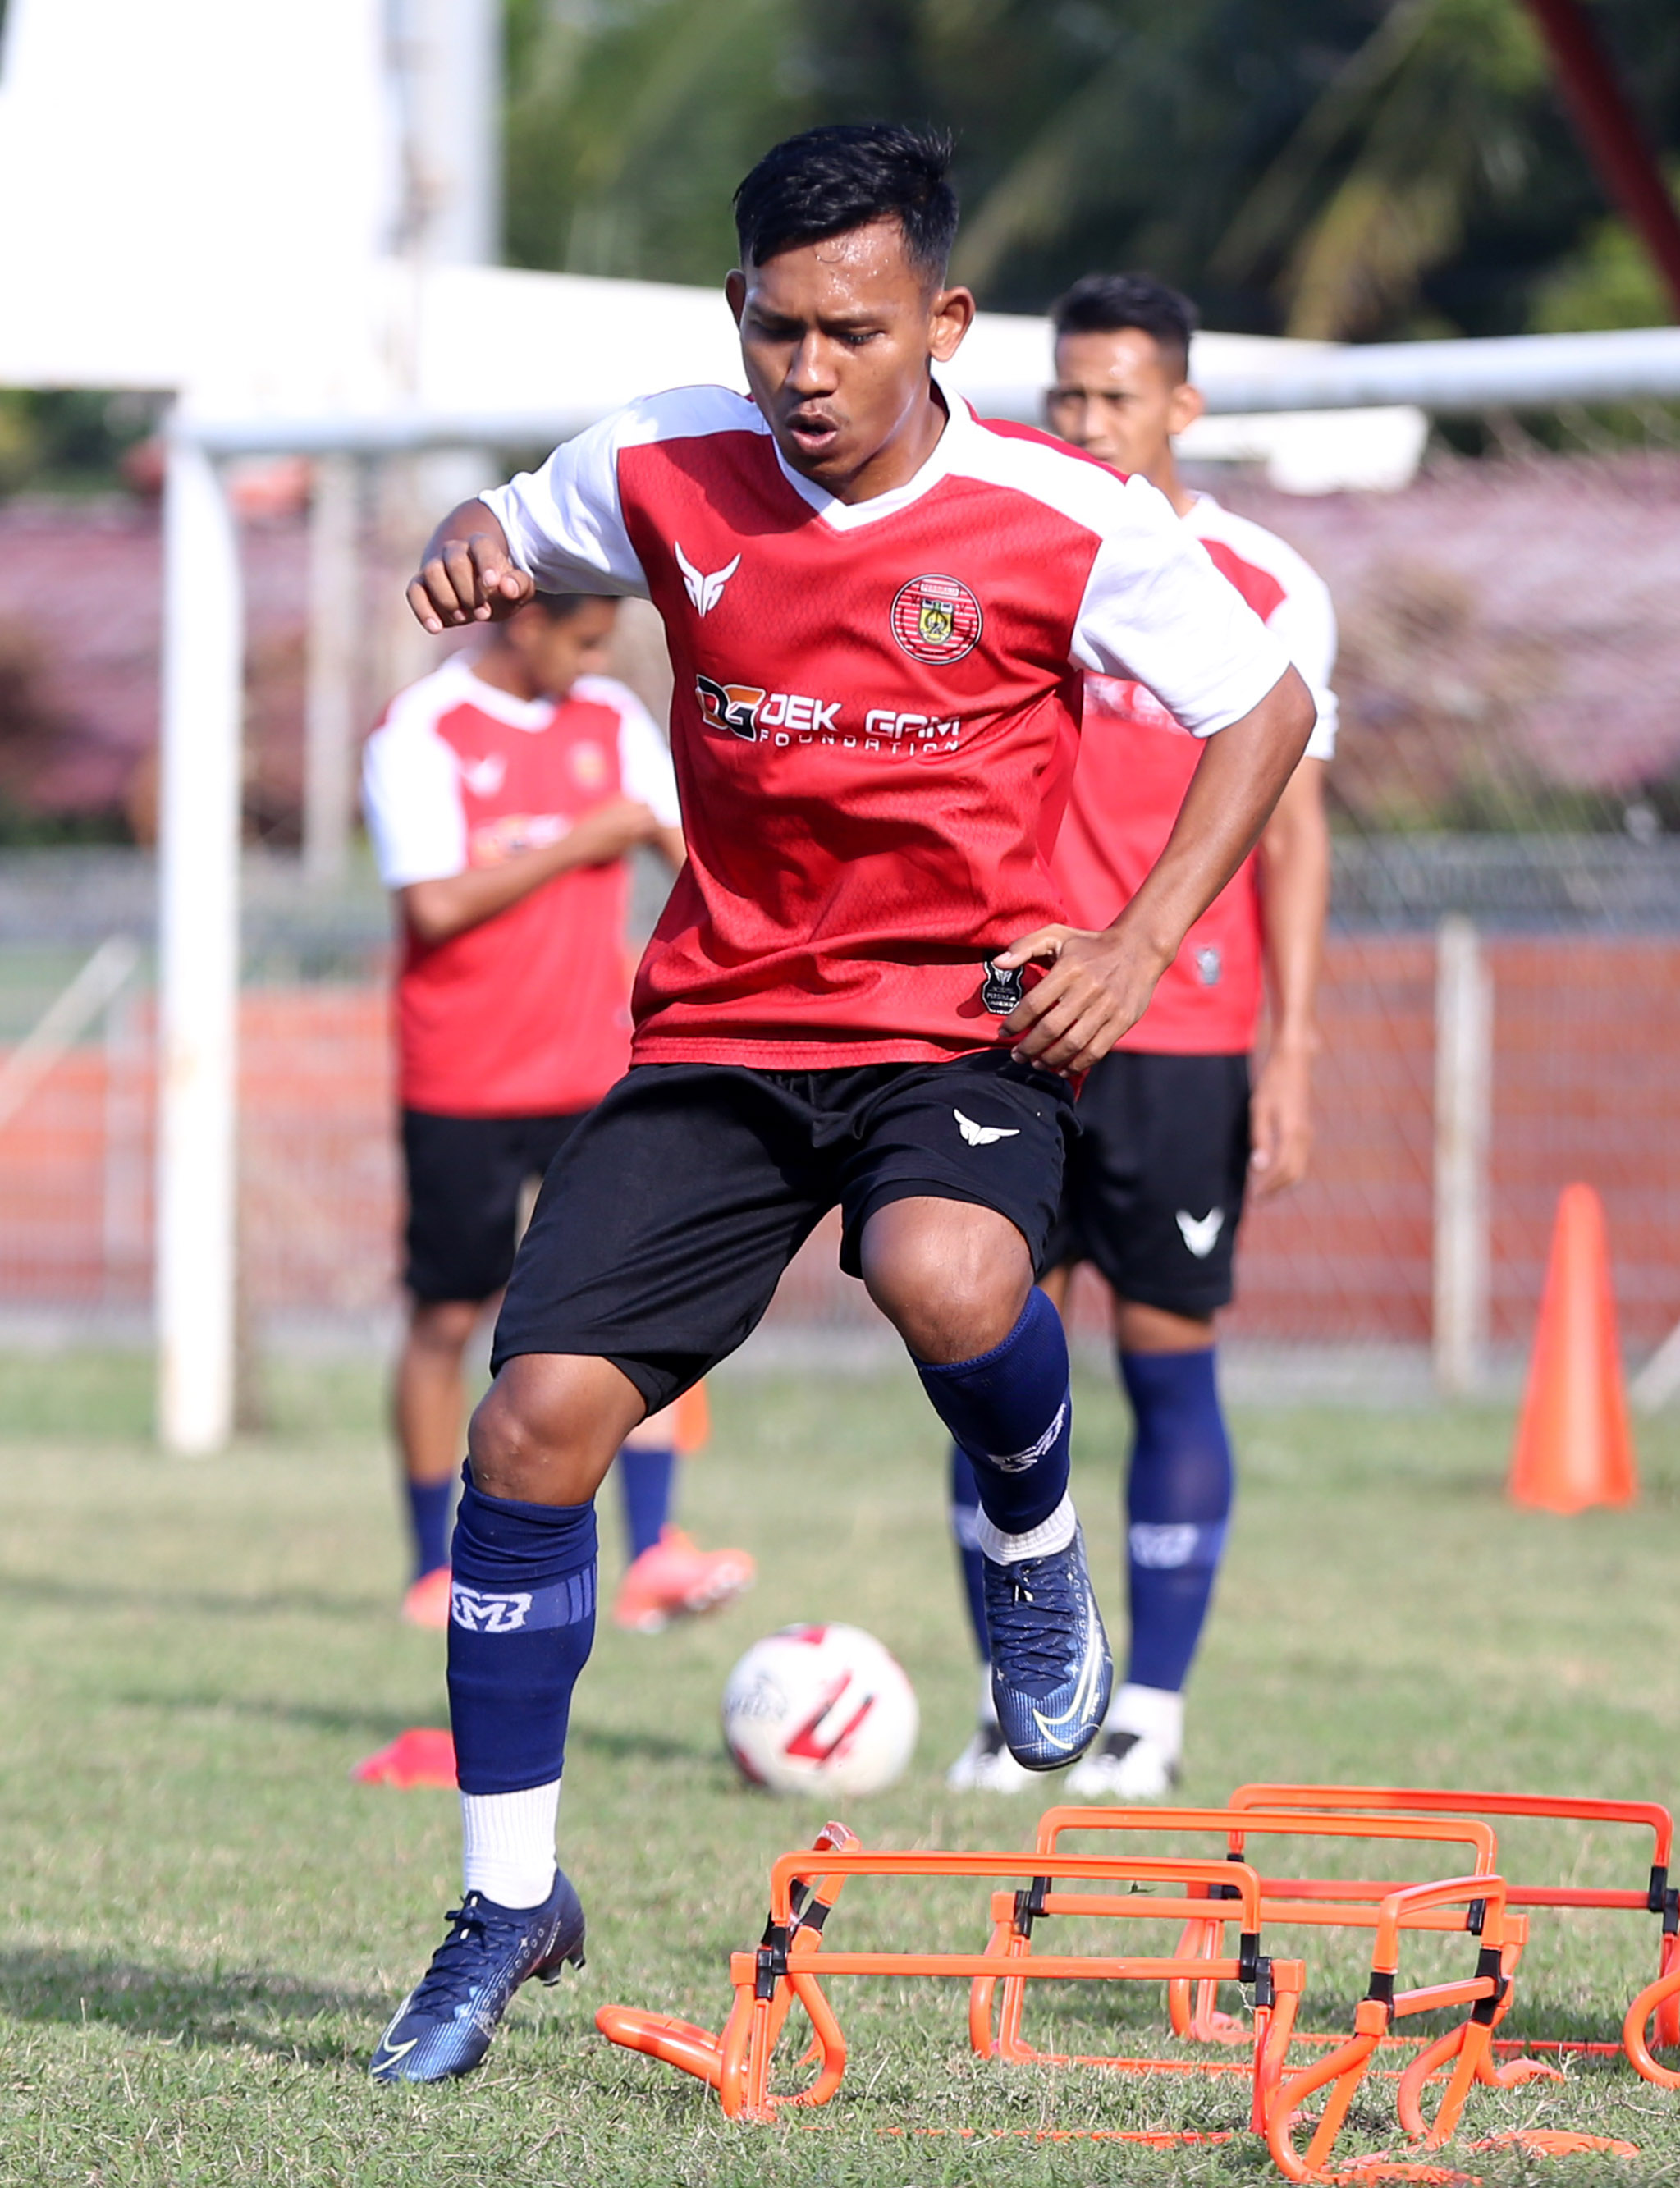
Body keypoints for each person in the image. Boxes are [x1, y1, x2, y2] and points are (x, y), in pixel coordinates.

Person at [365, 123, 1315, 2085]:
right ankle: (506, 1898)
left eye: (854, 331)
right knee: (531, 1425)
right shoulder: (652, 461)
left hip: (953, 1023)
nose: (810, 368)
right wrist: (470, 538)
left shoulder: (1068, 509)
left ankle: (1033, 1553)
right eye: (779, 327)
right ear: (740, 315)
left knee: (953, 1272)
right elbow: (509, 532)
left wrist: (1137, 945)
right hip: (718, 1024)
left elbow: (1265, 706)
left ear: (943, 322)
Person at [941, 273, 1339, 1801]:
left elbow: (1295, 832)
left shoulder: (1263, 578)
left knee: (1167, 1364)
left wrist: (1290, 1050)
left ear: (1184, 405)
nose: (1088, 419)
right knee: (985, 1354)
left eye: (1118, 396)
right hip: (1009, 1018)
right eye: (1070, 392)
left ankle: (1150, 1704)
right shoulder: (1009, 533)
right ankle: (1017, 1692)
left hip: (1180, 1028)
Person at [359, 598, 756, 1636]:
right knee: (448, 1317)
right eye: (582, 639)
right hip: (463, 1077)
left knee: (641, 1302)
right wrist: (585, 839)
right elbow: (433, 903)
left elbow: (691, 858)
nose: (595, 660)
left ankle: (656, 1552)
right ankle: (428, 1562)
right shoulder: (422, 730)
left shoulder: (613, 721)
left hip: (597, 1072)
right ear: (522, 620)